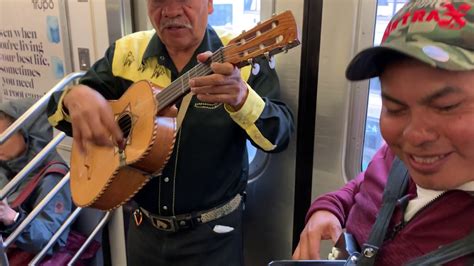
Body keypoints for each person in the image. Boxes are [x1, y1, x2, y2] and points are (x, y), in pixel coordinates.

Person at [47, 0, 294, 265]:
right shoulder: (125, 53)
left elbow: (278, 137)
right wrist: (74, 97)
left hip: (213, 236)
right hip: (143, 229)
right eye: (158, 1)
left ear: (209, 4)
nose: (171, 11)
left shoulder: (239, 56)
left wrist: (242, 99)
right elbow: (57, 113)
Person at [293, 0, 474, 265]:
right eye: (395, 108)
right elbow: (365, 184)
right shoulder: (398, 158)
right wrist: (328, 208)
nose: (413, 136)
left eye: (446, 107)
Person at [0, 98, 71, 255]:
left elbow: (48, 238)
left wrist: (12, 217)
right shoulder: (6, 163)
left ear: (26, 135)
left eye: (4, 137)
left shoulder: (53, 177)